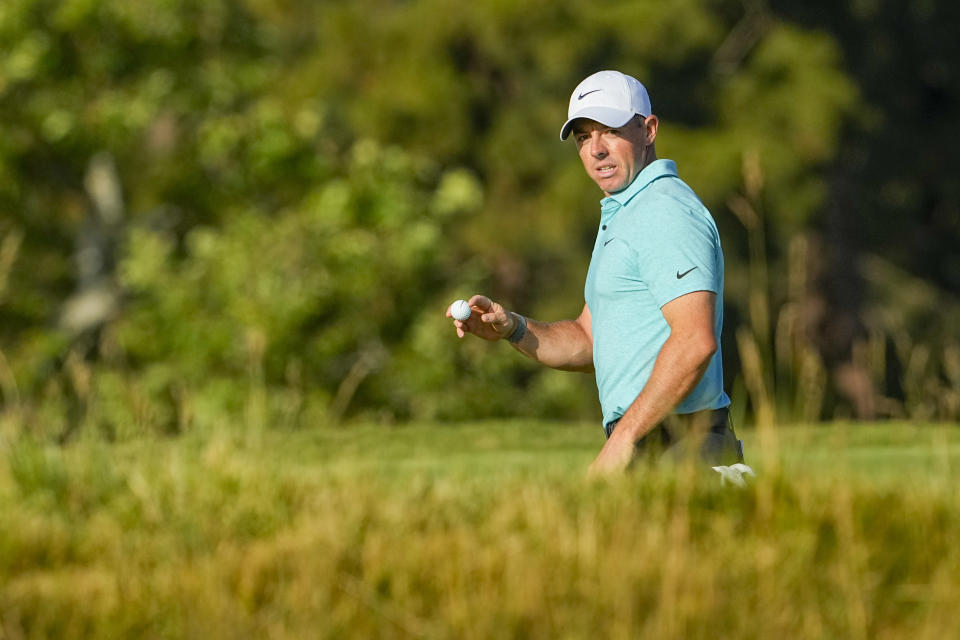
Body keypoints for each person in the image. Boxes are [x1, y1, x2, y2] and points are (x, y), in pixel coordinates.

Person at [448, 70, 743, 475]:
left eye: (610, 131)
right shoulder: (625, 213)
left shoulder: (664, 210)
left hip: (685, 448)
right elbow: (589, 340)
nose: (596, 150)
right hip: (652, 443)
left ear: (648, 130)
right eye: (584, 137)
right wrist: (511, 328)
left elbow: (695, 340)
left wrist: (624, 439)